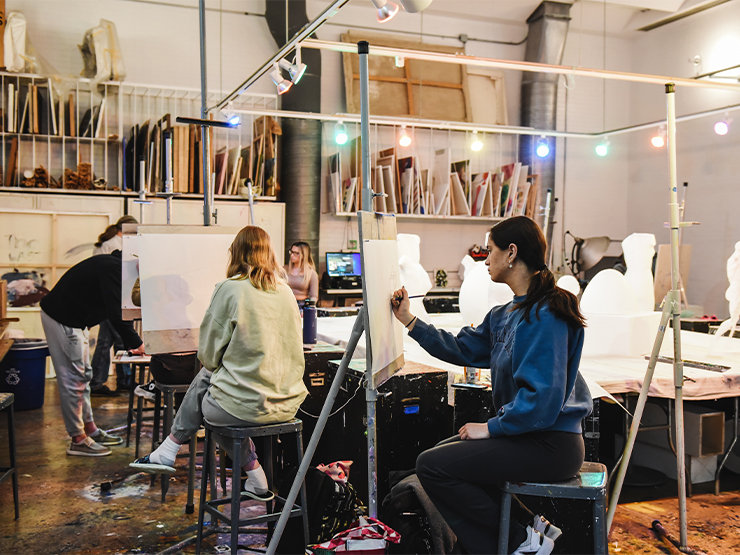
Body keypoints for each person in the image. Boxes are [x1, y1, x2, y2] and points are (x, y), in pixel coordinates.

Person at [391, 216, 592, 555]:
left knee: (433, 466)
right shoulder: (505, 313)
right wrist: (410, 320)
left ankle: (518, 543)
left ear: (511, 252)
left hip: (552, 444)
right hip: (527, 435)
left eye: (490, 250)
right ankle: (530, 530)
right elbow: (461, 348)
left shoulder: (547, 314)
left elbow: (542, 400)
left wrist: (492, 428)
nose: (485, 259)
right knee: (439, 455)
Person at [131, 226, 307, 500]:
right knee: (213, 389)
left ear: (236, 253)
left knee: (208, 394)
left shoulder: (230, 289)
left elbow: (209, 357)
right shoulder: (285, 292)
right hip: (287, 404)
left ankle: (171, 448)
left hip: (245, 406)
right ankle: (250, 477)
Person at [40, 249, 145, 457]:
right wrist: (137, 343)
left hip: (76, 320)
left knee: (84, 377)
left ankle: (90, 430)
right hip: (63, 319)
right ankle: (78, 440)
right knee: (73, 379)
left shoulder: (116, 265)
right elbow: (117, 315)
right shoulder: (113, 269)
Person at [91, 215, 139, 396]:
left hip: (112, 298)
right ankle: (108, 382)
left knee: (112, 341)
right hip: (113, 298)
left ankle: (118, 381)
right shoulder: (115, 245)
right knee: (112, 341)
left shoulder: (109, 242)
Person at [285, 241, 319, 306]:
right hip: (286, 303)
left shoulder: (311, 273)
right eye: (291, 252)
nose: (292, 255)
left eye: (296, 253)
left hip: (302, 304)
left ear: (304, 255)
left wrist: (308, 308)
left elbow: (314, 296)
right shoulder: (284, 270)